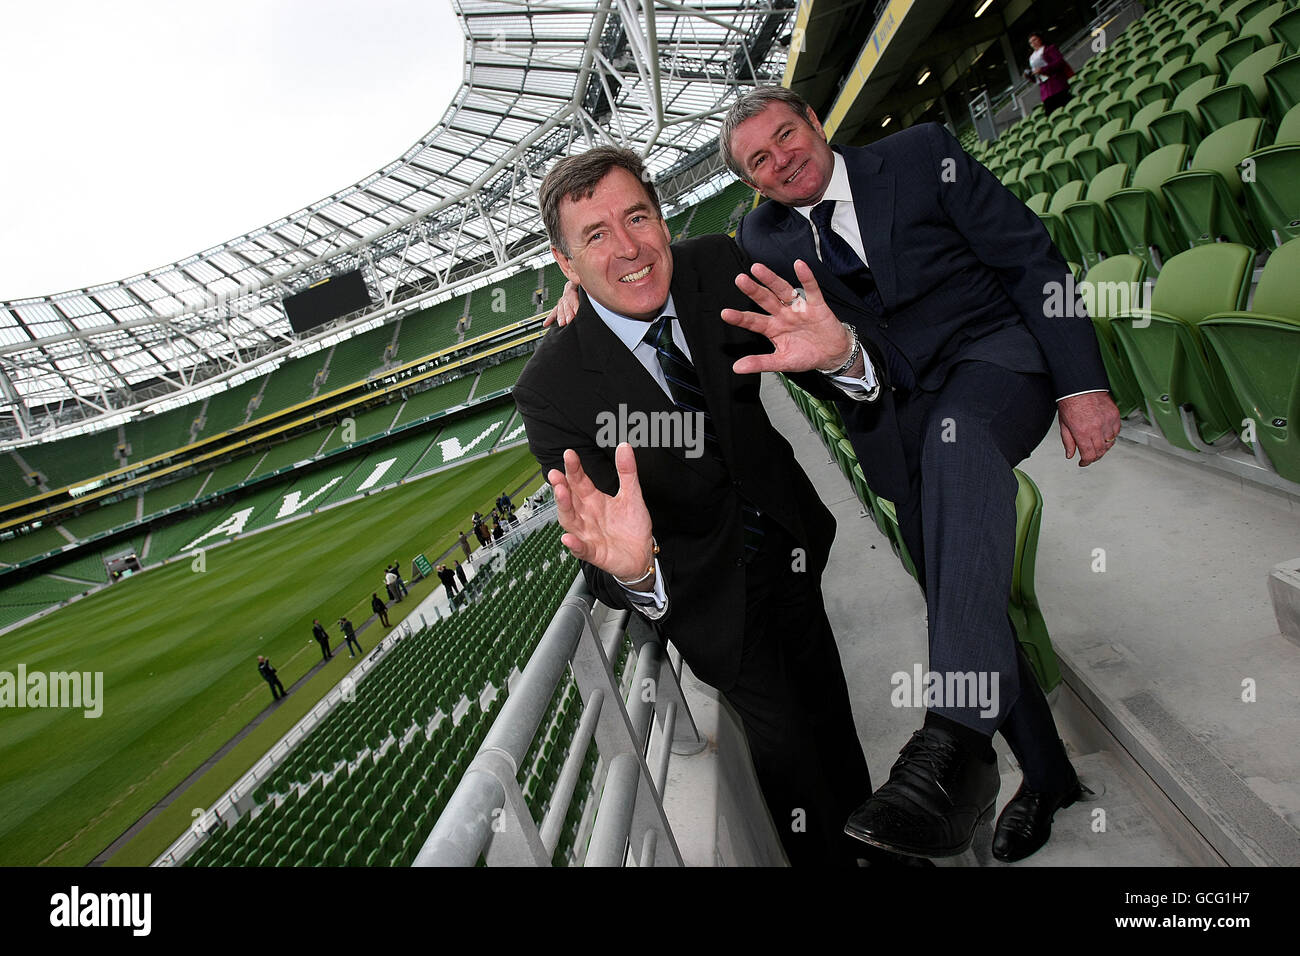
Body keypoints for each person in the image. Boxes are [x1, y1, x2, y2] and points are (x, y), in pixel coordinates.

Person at [716, 86, 1119, 862]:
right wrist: (576, 288)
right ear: (750, 183)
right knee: (961, 595)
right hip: (895, 425)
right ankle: (1045, 776)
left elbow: (1027, 255)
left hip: (997, 363)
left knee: (960, 435)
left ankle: (952, 745)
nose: (782, 160)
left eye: (787, 135)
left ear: (815, 122)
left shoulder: (920, 152)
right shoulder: (758, 241)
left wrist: (1081, 382)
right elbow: (779, 337)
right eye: (759, 160)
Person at [514, 146, 897, 867]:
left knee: (832, 716)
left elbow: (817, 360)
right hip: (707, 593)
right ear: (565, 265)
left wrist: (842, 357)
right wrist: (634, 575)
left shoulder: (719, 265)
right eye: (595, 235)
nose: (627, 247)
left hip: (791, 544)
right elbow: (601, 545)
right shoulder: (552, 389)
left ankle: (877, 844)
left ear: (662, 220)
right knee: (789, 758)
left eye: (637, 217)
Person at [1026, 31, 1074, 116]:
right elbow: (1037, 78)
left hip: (1057, 84)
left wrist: (1043, 69)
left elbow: (1059, 62)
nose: (1033, 43)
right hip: (1045, 90)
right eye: (1031, 42)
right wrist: (1030, 76)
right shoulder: (1032, 57)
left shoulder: (1049, 49)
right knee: (1052, 115)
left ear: (1040, 39)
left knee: (1066, 108)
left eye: (1035, 40)